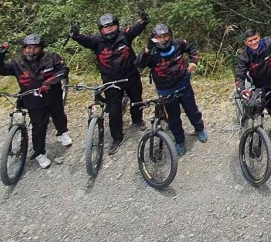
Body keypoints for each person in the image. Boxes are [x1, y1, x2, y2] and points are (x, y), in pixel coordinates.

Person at [70, 11, 147, 154]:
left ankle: (137, 120)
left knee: (137, 99)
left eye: (112, 26)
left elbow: (135, 29)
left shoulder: (124, 35)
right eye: (106, 27)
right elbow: (84, 39)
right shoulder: (96, 41)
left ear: (117, 25)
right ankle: (117, 137)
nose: (109, 29)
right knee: (114, 109)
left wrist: (143, 21)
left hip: (130, 75)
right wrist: (75, 35)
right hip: (110, 80)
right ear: (101, 29)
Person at [0, 33, 71, 170]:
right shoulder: (17, 63)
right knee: (38, 127)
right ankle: (40, 153)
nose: (31, 51)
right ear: (24, 48)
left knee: (59, 115)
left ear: (41, 48)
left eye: (35, 48)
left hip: (53, 96)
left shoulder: (51, 57)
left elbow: (64, 70)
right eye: (28, 48)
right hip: (33, 101)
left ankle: (62, 133)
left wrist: (49, 83)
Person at [135, 23, 207, 153]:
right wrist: (147, 49)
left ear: (170, 36)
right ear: (154, 38)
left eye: (165, 36)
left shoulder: (178, 43)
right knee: (173, 117)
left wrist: (193, 62)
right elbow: (139, 64)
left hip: (183, 83)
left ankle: (200, 129)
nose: (163, 40)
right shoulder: (152, 51)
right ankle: (179, 140)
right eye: (159, 37)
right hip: (165, 89)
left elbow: (192, 48)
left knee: (192, 109)